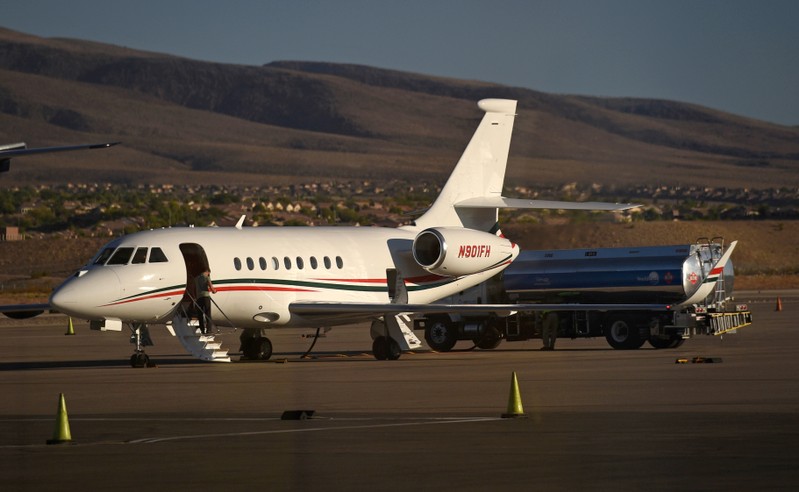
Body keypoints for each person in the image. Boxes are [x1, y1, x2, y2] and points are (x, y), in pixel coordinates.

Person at [194, 269, 217, 335]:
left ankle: (202, 330)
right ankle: (209, 330)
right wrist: (214, 291)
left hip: (199, 298)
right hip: (206, 297)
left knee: (200, 315)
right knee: (208, 314)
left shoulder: (196, 278)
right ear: (207, 272)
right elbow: (211, 286)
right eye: (209, 273)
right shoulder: (206, 277)